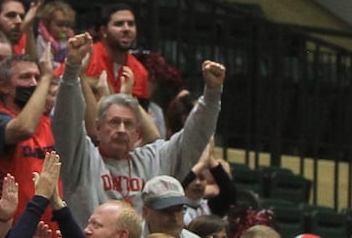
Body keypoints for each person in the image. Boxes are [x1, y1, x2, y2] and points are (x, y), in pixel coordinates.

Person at [55, 35, 225, 220]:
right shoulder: (81, 157)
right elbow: (65, 119)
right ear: (98, 127)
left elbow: (194, 137)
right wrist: (72, 69)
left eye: (128, 124)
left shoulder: (154, 160)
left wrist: (212, 94)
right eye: (114, 122)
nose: (121, 129)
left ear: (137, 133)